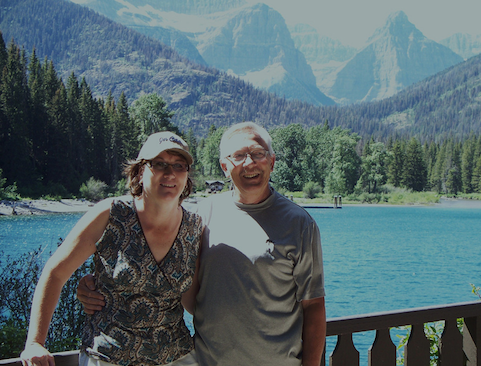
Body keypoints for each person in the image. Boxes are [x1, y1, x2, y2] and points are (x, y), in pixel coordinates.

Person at [79, 122, 326, 366]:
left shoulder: (299, 224)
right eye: (239, 155)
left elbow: (313, 306)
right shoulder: (199, 216)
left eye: (258, 154)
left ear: (271, 162)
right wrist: (99, 285)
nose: (249, 163)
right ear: (224, 166)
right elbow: (160, 259)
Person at [22, 132, 203, 366]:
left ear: (187, 176)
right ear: (140, 172)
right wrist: (35, 342)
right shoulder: (112, 214)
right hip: (108, 359)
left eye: (179, 165)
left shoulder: (194, 227)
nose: (170, 173)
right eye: (159, 164)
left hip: (177, 359)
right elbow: (55, 273)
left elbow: (191, 300)